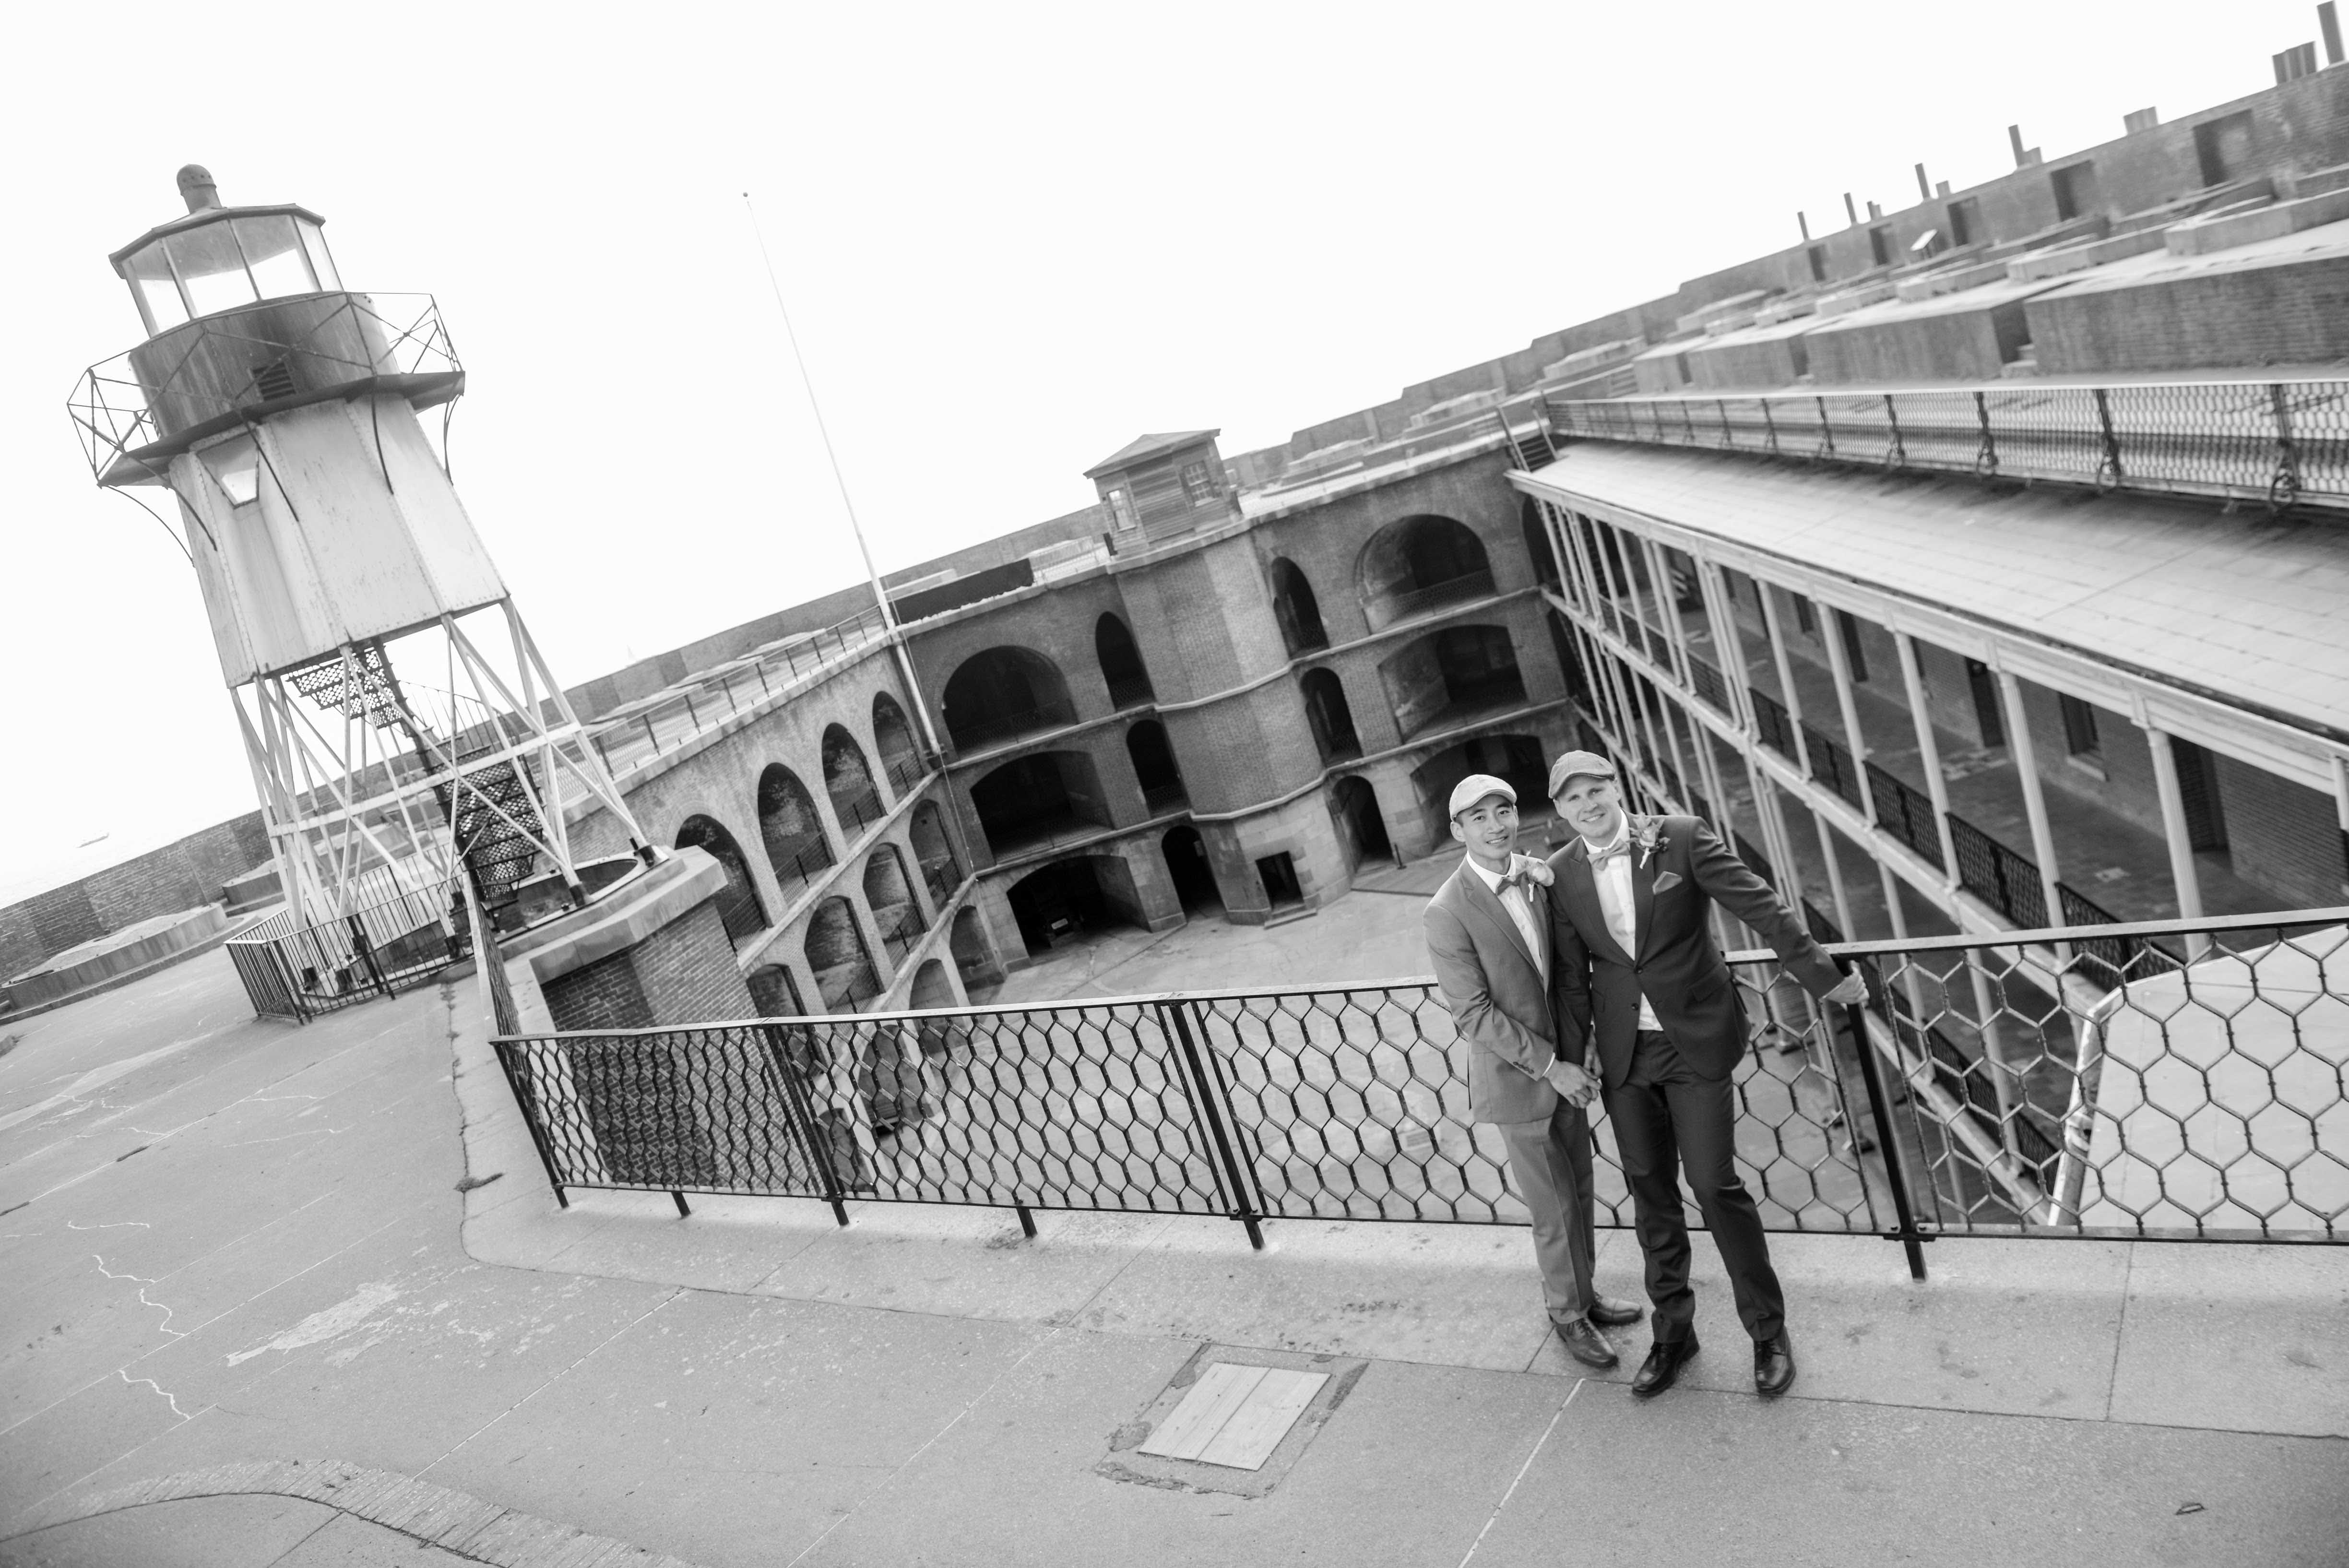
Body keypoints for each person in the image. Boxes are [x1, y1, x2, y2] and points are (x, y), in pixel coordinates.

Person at [1541, 750, 1864, 1400]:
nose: (1588, 805)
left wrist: (1824, 980)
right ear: (1559, 811)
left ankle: (1768, 1331)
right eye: (1572, 799)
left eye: (1596, 790)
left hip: (1696, 1041)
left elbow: (1764, 908)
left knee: (1715, 1185)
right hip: (1625, 1055)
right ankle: (1674, 1334)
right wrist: (1572, 1061)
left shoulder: (1680, 837)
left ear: (1616, 788)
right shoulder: (1560, 874)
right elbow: (1574, 979)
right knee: (1650, 1193)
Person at [1423, 773, 1644, 1369]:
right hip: (1522, 1082)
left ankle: (1587, 1295)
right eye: (1479, 818)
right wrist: (1552, 1067)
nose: (1495, 826)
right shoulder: (1447, 911)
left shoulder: (1537, 875)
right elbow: (1474, 1014)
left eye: (1504, 811)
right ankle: (1566, 1313)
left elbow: (1569, 973)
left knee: (1581, 1189)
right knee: (1554, 1207)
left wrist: (1586, 1042)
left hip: (1570, 1066)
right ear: (1457, 831)